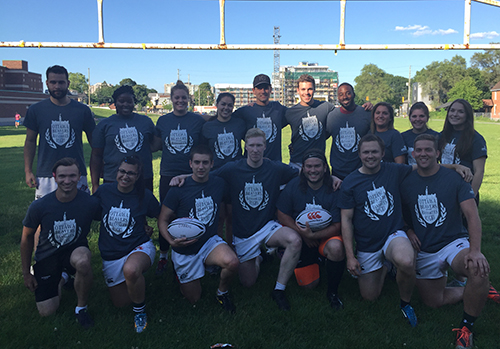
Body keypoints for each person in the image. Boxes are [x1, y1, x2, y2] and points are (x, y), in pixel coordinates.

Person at [172, 128, 302, 310]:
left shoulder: (275, 167)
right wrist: (184, 176)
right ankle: (259, 257)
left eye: (259, 145)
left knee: (294, 240)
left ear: (265, 146)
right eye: (251, 145)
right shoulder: (233, 168)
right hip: (243, 233)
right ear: (245, 147)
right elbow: (207, 175)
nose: (255, 149)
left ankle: (279, 290)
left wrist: (332, 177)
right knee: (248, 282)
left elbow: (305, 173)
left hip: (267, 226)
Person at [400, 134, 498, 348]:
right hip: (425, 249)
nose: (423, 154)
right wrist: (408, 230)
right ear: (413, 154)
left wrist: (476, 250)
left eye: (428, 150)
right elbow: (401, 215)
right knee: (433, 302)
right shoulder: (406, 180)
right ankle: (478, 291)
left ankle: (466, 329)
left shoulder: (454, 178)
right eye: (419, 150)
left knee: (477, 268)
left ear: (437, 153)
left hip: (454, 242)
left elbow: (472, 215)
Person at [339, 134, 418, 327]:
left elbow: (424, 167)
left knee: (407, 261)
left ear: (383, 153)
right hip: (367, 243)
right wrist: (350, 256)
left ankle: (405, 303)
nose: (370, 156)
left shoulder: (393, 170)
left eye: (375, 151)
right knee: (370, 297)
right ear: (359, 154)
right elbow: (346, 220)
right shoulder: (350, 182)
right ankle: (385, 266)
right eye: (366, 152)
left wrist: (456, 167)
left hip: (393, 234)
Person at [158, 145, 239, 313]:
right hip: (185, 247)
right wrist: (172, 241)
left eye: (205, 163)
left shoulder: (219, 183)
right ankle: (179, 273)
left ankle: (222, 292)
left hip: (209, 241)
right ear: (190, 164)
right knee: (194, 299)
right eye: (197, 163)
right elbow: (162, 220)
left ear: (211, 164)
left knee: (232, 262)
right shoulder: (178, 189)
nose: (200, 167)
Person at [20, 158, 98, 328]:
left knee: (83, 262)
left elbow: (109, 218)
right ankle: (62, 278)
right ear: (54, 177)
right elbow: (26, 238)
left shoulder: (90, 203)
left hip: (74, 252)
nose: (67, 180)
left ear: (79, 177)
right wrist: (26, 273)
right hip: (48, 256)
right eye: (62, 176)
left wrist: (142, 226)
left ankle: (81, 308)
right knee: (47, 312)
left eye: (72, 176)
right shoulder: (40, 206)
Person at [93, 156, 160, 333]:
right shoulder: (104, 191)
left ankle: (140, 312)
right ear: (117, 172)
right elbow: (90, 212)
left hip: (138, 246)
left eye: (131, 173)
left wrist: (168, 234)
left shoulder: (144, 195)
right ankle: (136, 283)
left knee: (131, 270)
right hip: (111, 253)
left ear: (137, 176)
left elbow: (161, 214)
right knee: (121, 303)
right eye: (122, 171)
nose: (125, 176)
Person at [276, 149, 346, 310]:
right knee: (309, 285)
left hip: (326, 237)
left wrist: (315, 235)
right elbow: (282, 214)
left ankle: (333, 293)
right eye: (308, 166)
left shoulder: (334, 188)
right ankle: (310, 259)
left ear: (325, 168)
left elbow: (337, 225)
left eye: (317, 166)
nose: (313, 170)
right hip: (302, 238)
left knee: (336, 248)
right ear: (303, 168)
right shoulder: (294, 185)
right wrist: (304, 234)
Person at [153, 80, 207, 275]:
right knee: (165, 215)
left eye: (184, 97)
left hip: (191, 173)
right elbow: (156, 145)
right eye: (177, 97)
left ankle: (193, 251)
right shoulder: (163, 121)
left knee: (189, 215)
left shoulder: (197, 121)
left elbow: (203, 144)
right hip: (168, 173)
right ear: (171, 99)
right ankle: (163, 256)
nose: (180, 101)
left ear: (189, 99)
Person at [24, 65, 95, 199]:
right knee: (45, 215)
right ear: (47, 83)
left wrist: (99, 167)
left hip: (76, 173)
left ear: (68, 83)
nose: (57, 86)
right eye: (53, 82)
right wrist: (28, 171)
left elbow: (94, 143)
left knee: (80, 213)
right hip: (46, 174)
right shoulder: (36, 110)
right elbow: (30, 141)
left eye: (61, 82)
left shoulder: (83, 110)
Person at [90, 85, 156, 193]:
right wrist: (95, 184)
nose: (125, 104)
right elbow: (96, 155)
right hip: (113, 178)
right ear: (115, 103)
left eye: (129, 101)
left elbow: (156, 144)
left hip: (142, 178)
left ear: (134, 103)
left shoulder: (146, 122)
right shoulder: (104, 125)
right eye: (121, 101)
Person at [201, 92, 246, 243]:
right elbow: (203, 151)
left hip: (235, 175)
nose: (226, 108)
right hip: (215, 176)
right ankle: (218, 246)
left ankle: (232, 246)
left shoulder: (239, 124)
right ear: (217, 105)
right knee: (218, 216)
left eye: (229, 105)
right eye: (223, 104)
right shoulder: (208, 127)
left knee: (233, 216)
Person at [438, 99, 486, 203]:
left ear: (467, 115)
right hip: (443, 187)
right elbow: (434, 164)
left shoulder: (476, 139)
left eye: (461, 111)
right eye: (452, 110)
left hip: (463, 190)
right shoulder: (442, 136)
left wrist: (470, 197)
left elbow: (479, 172)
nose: (455, 114)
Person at [232, 73, 288, 161]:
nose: (263, 91)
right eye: (259, 88)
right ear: (253, 90)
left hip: (274, 165)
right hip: (251, 165)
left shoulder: (279, 108)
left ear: (270, 89)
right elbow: (223, 118)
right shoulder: (244, 111)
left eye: (266, 88)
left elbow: (297, 115)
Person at [285, 74, 334, 168]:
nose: (306, 92)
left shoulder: (326, 107)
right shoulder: (290, 112)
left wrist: (367, 107)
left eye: (309, 89)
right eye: (303, 89)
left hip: (318, 163)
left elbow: (344, 113)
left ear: (314, 89)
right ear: (298, 91)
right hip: (297, 163)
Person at [326, 83, 372, 179]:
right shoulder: (332, 116)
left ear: (354, 94)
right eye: (341, 94)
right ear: (337, 97)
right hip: (338, 171)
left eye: (348, 93)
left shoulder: (366, 113)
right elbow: (320, 138)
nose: (344, 97)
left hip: (361, 170)